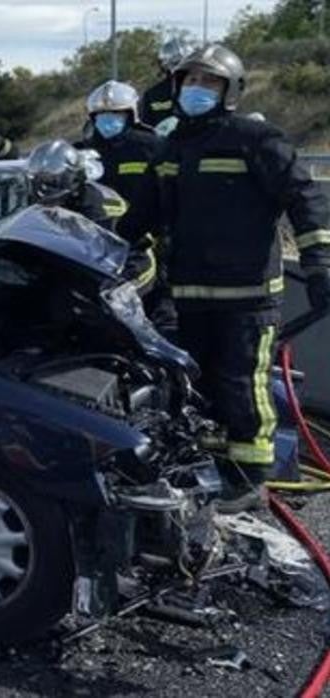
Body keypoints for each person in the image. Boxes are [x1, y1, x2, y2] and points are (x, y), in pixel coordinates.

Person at [145, 45, 330, 509]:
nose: (198, 90)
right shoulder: (170, 148)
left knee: (243, 385)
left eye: (210, 83)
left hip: (247, 297)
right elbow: (144, 216)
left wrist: (320, 263)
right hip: (188, 295)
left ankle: (250, 480)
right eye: (191, 81)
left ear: (231, 91)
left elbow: (305, 199)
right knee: (198, 387)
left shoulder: (256, 138)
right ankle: (210, 472)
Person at [78, 80, 163, 298]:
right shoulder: (82, 152)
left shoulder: (153, 147)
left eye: (116, 114)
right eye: (101, 115)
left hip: (146, 240)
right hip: (94, 240)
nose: (108, 121)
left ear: (130, 115)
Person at [25, 139, 127, 229]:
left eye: (52, 181)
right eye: (39, 179)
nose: (45, 186)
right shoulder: (30, 204)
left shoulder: (98, 205)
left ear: (74, 178)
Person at [140, 36, 192, 129]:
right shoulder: (153, 95)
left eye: (185, 63)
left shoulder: (203, 90)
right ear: (164, 65)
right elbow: (146, 128)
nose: (179, 68)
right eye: (175, 63)